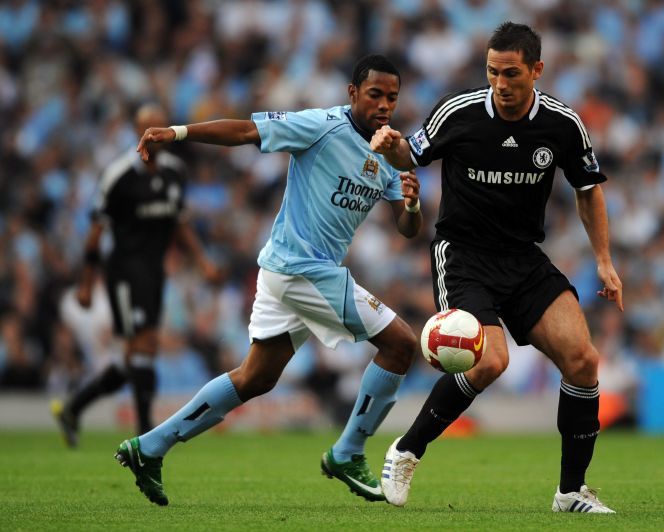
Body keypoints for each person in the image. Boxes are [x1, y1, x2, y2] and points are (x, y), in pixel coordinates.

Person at [114, 54, 423, 506]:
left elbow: (407, 227)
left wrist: (412, 205)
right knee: (401, 345)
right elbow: (244, 131)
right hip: (301, 268)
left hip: (293, 272)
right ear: (353, 93)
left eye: (391, 97)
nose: (383, 105)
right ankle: (348, 451)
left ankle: (149, 447)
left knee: (256, 377)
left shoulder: (391, 150)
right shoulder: (321, 126)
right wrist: (178, 133)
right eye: (374, 94)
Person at [371, 22, 623, 513]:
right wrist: (391, 145)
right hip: (464, 255)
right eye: (492, 72)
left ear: (537, 70)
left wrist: (604, 260)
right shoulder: (459, 113)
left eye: (511, 73)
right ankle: (406, 450)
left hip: (524, 258)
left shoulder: (562, 124)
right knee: (490, 360)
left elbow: (588, 188)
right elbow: (412, 153)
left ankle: (571, 492)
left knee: (584, 361)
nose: (501, 84)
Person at [52, 104, 220, 447]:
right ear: (136, 131)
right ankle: (145, 432)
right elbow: (97, 230)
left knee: (135, 356)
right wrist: (86, 284)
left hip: (154, 270)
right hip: (125, 270)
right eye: (148, 128)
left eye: (160, 127)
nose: (155, 135)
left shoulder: (176, 172)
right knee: (144, 345)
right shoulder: (118, 175)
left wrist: (202, 260)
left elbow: (180, 220)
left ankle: (73, 407)